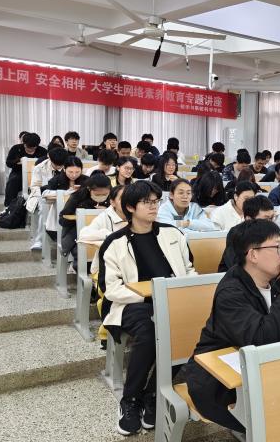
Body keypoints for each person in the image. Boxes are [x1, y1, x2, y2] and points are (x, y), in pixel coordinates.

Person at [185, 219, 280, 433]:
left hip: (261, 367)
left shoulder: (275, 280)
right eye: (277, 247)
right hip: (218, 381)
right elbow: (262, 338)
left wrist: (276, 324)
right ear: (253, 255)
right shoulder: (231, 292)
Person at [98, 180, 196, 435]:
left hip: (172, 300)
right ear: (130, 207)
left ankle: (152, 393)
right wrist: (147, 296)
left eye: (156, 201)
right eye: (146, 202)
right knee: (151, 332)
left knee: (189, 330)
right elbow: (111, 288)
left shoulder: (173, 234)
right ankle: (130, 399)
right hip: (132, 303)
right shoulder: (115, 242)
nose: (153, 207)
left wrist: (185, 292)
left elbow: (189, 270)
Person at [78, 184, 128, 349]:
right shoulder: (105, 217)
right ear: (112, 202)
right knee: (111, 294)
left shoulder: (137, 214)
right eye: (122, 198)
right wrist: (109, 235)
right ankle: (107, 334)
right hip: (103, 270)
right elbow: (84, 234)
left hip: (130, 269)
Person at [59, 174, 112, 270]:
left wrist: (107, 210)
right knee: (83, 256)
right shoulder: (77, 197)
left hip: (104, 234)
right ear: (89, 189)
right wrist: (83, 215)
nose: (101, 197)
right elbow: (62, 220)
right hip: (77, 234)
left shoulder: (113, 198)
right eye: (97, 194)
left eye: (105, 194)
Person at [218, 197, 276, 272]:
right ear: (249, 219)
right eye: (266, 219)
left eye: (271, 218)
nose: (270, 223)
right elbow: (236, 265)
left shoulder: (272, 234)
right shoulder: (236, 234)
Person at [30, 148, 68, 249]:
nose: (59, 167)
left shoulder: (69, 166)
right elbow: (35, 188)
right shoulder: (39, 168)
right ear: (49, 158)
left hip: (64, 196)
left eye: (61, 165)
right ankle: (39, 240)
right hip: (43, 196)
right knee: (44, 208)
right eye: (56, 165)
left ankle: (63, 238)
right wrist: (47, 196)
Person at [42, 157, 89, 240]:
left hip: (80, 213)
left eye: (77, 172)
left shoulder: (86, 180)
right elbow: (45, 193)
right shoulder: (56, 180)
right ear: (64, 169)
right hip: (61, 213)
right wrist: (67, 192)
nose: (74, 175)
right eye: (70, 172)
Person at [4, 132, 47, 207]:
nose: (30, 150)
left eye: (33, 148)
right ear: (24, 144)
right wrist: (18, 161)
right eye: (28, 147)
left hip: (38, 174)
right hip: (18, 173)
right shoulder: (16, 148)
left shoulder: (42, 151)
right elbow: (8, 163)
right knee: (12, 182)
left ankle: (40, 205)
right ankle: (10, 206)